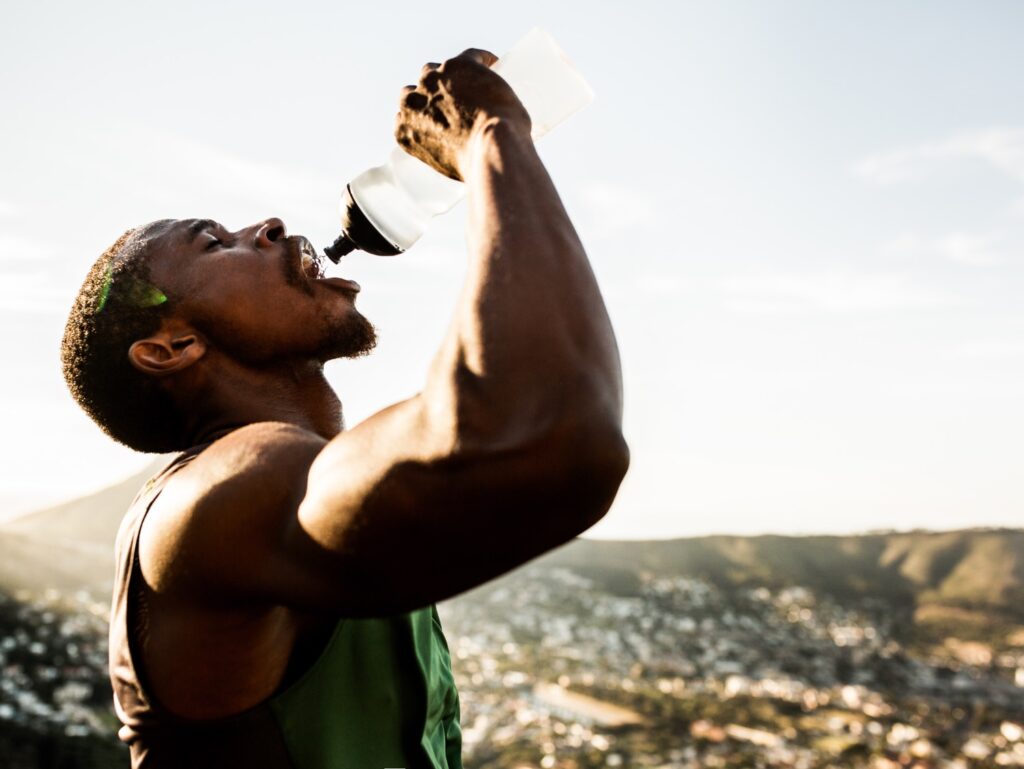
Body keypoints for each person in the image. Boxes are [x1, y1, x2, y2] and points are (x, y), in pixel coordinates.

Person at [60, 47, 628, 769]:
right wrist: (490, 131)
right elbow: (545, 426)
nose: (265, 225)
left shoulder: (301, 480)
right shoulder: (214, 500)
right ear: (170, 346)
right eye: (214, 242)